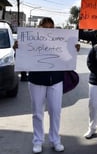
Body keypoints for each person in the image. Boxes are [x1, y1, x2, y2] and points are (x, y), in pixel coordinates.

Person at [26, 17, 66, 153]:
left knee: (55, 111)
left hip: (55, 80)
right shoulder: (30, 40)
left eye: (51, 28)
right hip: (36, 80)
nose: (48, 30)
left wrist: (74, 49)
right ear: (39, 28)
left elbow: (68, 57)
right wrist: (17, 49)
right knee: (37, 112)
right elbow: (22, 58)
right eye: (45, 28)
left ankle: (55, 140)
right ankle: (38, 140)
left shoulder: (60, 42)